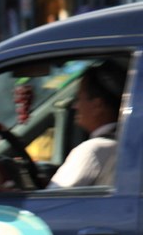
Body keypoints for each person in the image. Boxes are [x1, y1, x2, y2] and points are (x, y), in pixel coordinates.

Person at [47, 60, 126, 188]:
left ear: (98, 105)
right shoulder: (122, 144)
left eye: (79, 98)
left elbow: (46, 204)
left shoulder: (93, 150)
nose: (75, 106)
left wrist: (5, 186)